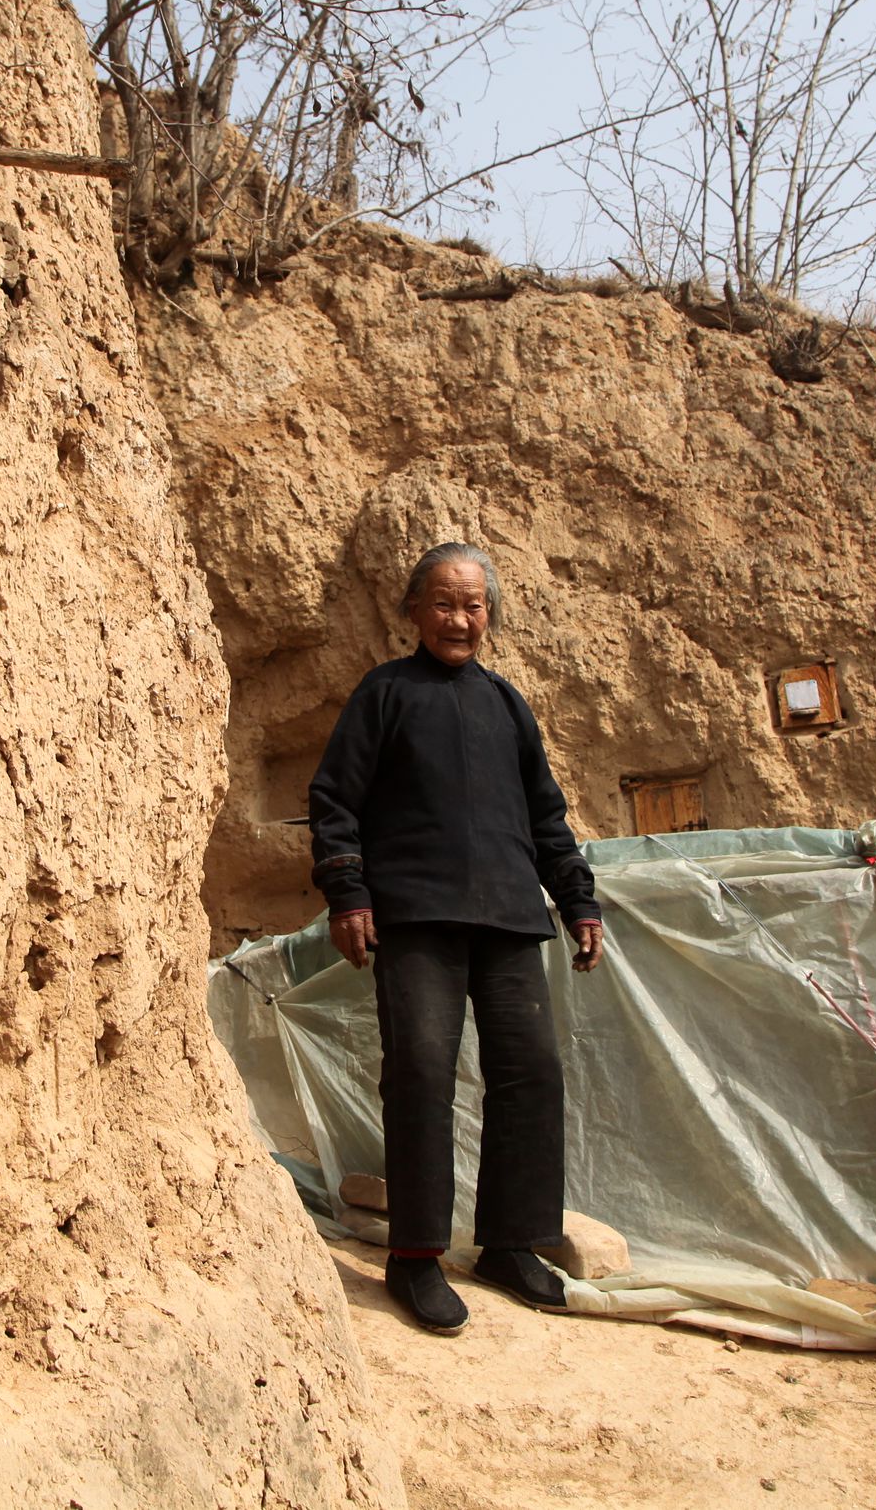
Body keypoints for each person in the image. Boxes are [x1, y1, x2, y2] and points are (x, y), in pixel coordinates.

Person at [307, 542, 605, 1335]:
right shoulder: (385, 694)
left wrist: (579, 900)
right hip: (417, 917)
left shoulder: (508, 705)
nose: (460, 618)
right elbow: (334, 798)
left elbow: (547, 816)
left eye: (474, 605)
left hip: (510, 918)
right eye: (444, 602)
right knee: (420, 1076)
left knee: (530, 1074)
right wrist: (348, 891)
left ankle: (509, 1243)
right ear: (413, 610)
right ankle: (416, 1256)